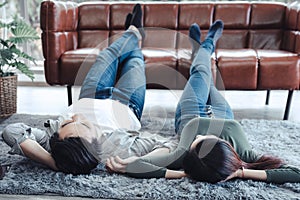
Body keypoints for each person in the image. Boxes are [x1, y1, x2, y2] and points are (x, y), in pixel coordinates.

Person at [106, 21, 300, 184]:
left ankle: (202, 48)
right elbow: (296, 173)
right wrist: (242, 172)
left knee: (201, 73)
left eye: (195, 141)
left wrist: (181, 173)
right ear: (226, 146)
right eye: (202, 140)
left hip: (190, 111)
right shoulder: (243, 153)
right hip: (222, 112)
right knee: (209, 81)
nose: (198, 134)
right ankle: (205, 47)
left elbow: (136, 165)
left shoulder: (183, 154)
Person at [1, 4, 177, 175]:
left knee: (108, 54)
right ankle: (134, 36)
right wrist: (138, 163)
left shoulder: (55, 143)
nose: (75, 116)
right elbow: (171, 146)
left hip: (92, 93)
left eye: (66, 122)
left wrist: (52, 162)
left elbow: (12, 131)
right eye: (84, 124)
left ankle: (131, 32)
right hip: (128, 103)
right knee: (135, 61)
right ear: (96, 143)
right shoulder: (118, 150)